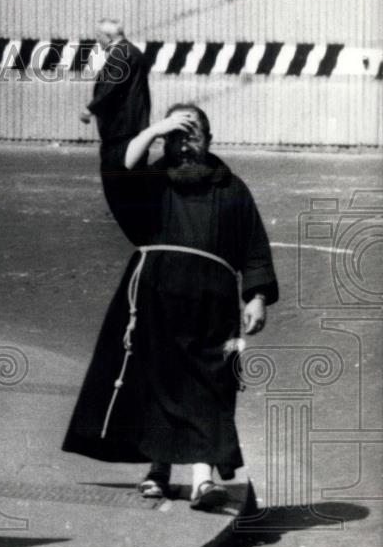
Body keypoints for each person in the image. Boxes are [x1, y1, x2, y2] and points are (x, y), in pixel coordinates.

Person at [62, 104, 278, 510]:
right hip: (153, 296)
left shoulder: (230, 187)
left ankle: (202, 480)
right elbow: (120, 168)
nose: (184, 143)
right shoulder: (153, 181)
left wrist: (257, 296)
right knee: (155, 381)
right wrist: (156, 128)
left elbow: (253, 245)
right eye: (175, 135)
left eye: (192, 133)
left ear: (209, 140)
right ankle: (157, 470)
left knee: (209, 386)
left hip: (212, 304)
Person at [79, 18, 152, 165]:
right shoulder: (132, 51)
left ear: (108, 37)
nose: (97, 41)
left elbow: (110, 87)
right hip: (133, 123)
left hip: (121, 127)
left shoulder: (120, 54)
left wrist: (90, 109)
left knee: (116, 174)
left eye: (98, 36)